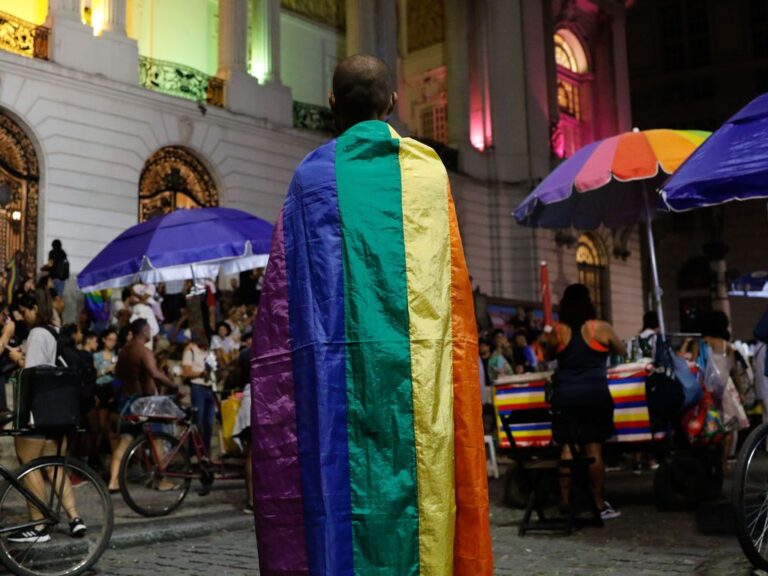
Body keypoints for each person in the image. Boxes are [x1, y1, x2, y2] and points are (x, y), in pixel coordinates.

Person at [249, 54, 492, 575]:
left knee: (337, 502)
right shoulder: (427, 172)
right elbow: (449, 289)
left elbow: (283, 304)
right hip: (417, 385)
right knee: (420, 498)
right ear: (394, 103)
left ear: (332, 103)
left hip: (335, 387)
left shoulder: (312, 177)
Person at [541, 283, 625, 520]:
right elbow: (621, 350)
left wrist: (546, 340)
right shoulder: (601, 328)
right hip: (595, 395)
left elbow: (546, 355)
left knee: (567, 447)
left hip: (565, 396)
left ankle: (565, 502)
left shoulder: (558, 331)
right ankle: (599, 504)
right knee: (594, 448)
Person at [9, 289, 86, 542]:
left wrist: (17, 359)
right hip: (57, 409)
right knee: (53, 467)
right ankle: (75, 518)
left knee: (28, 463)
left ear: (34, 309)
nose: (23, 316)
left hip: (37, 409)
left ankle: (39, 526)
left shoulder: (37, 333)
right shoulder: (55, 331)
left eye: (24, 311)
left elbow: (33, 373)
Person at [108, 319, 178, 492]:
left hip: (126, 400)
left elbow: (118, 375)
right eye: (149, 329)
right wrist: (173, 386)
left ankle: (113, 481)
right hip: (143, 403)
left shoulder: (124, 351)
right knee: (157, 441)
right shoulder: (143, 351)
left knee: (124, 442)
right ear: (144, 331)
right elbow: (154, 374)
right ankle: (161, 481)